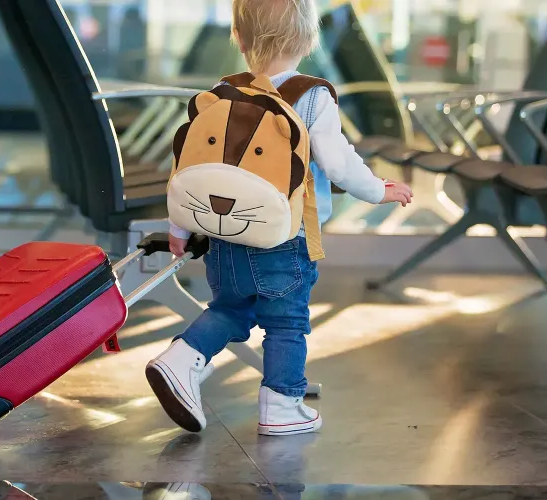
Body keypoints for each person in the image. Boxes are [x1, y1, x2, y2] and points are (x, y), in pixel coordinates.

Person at [145, 0, 413, 436]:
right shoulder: (312, 97)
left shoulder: (222, 91)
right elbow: (339, 163)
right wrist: (379, 190)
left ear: (240, 38)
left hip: (224, 234)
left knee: (231, 308)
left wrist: (180, 227)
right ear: (308, 39)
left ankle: (181, 358)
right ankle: (282, 405)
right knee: (287, 321)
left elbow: (191, 164)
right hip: (283, 238)